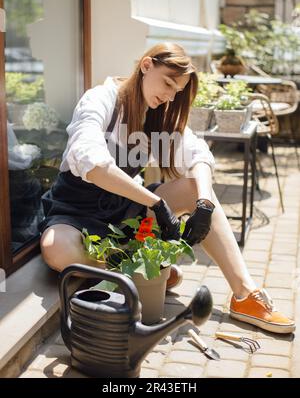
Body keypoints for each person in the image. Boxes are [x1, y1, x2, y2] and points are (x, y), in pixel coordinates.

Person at [39, 42, 295, 335]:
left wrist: (204, 206)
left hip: (124, 210)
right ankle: (136, 269)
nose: (170, 96)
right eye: (168, 83)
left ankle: (245, 293)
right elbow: (93, 164)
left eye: (177, 90)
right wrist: (157, 204)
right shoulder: (100, 99)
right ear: (146, 66)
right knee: (55, 250)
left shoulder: (158, 113)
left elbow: (198, 155)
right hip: (75, 211)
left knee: (194, 188)